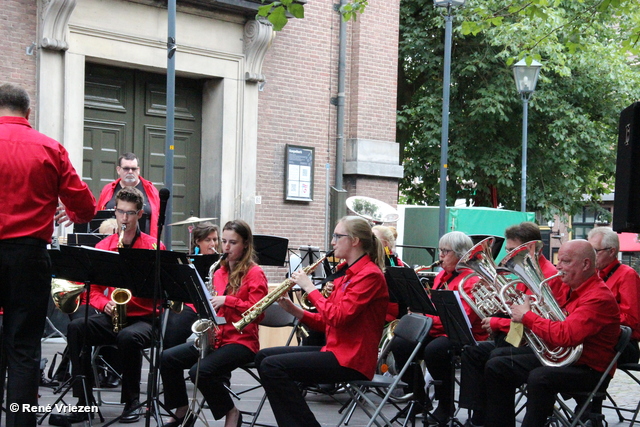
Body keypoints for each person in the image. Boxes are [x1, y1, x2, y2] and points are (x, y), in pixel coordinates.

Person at [0, 83, 96, 426]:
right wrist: (69, 211)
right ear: (28, 113)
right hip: (29, 255)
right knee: (24, 347)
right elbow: (85, 208)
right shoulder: (49, 148)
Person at [255, 216, 388, 427]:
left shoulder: (369, 275)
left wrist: (310, 288)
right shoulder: (345, 274)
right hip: (335, 351)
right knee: (263, 357)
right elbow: (327, 323)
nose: (333, 242)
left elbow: (338, 317)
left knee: (273, 366)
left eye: (337, 236)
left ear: (354, 241)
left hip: (352, 360)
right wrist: (294, 310)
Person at [484, 240, 620, 427]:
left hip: (589, 369)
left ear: (586, 264)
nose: (558, 266)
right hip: (568, 359)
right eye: (558, 261)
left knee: (540, 378)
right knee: (497, 365)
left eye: (565, 261)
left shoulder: (598, 297)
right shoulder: (572, 289)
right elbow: (557, 327)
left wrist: (528, 316)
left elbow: (565, 336)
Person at [64, 187, 165, 424]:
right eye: (120, 212)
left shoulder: (153, 248)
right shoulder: (104, 246)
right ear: (115, 212)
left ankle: (132, 403)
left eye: (130, 213)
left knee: (128, 338)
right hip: (113, 315)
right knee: (77, 328)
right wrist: (105, 304)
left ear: (140, 214)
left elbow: (162, 295)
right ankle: (84, 402)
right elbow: (93, 292)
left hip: (144, 319)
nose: (124, 218)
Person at [160, 219, 268, 427]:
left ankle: (232, 412)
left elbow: (258, 312)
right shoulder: (218, 271)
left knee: (200, 372)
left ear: (245, 244)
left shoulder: (255, 273)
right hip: (217, 338)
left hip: (242, 342)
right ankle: (182, 410)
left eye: (232, 242)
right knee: (168, 358)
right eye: (224, 242)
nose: (225, 247)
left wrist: (228, 301)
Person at [459, 221, 563, 426]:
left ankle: (497, 420)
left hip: (535, 341)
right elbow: (517, 311)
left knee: (496, 360)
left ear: (530, 248)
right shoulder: (525, 272)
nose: (506, 257)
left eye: (511, 251)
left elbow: (535, 318)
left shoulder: (546, 275)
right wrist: (495, 294)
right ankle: (478, 414)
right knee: (472, 351)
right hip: (522, 336)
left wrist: (497, 323)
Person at [390, 231, 487, 425]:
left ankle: (445, 404)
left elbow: (460, 319)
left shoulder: (472, 281)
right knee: (400, 344)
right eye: (440, 250)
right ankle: (418, 398)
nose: (440, 255)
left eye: (445, 251)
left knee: (436, 350)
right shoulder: (442, 275)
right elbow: (435, 311)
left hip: (463, 335)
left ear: (461, 254)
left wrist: (424, 318)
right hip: (437, 329)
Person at [587, 227, 640, 364]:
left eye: (595, 251)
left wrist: (594, 315)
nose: (590, 256)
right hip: (599, 339)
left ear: (612, 251)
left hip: (623, 344)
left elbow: (631, 320)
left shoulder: (627, 275)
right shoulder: (594, 274)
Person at [98, 152, 160, 236]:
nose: (130, 172)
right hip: (111, 245)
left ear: (138, 170)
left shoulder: (151, 190)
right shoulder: (108, 189)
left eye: (133, 169)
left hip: (144, 245)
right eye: (126, 168)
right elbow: (98, 218)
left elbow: (158, 220)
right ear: (118, 170)